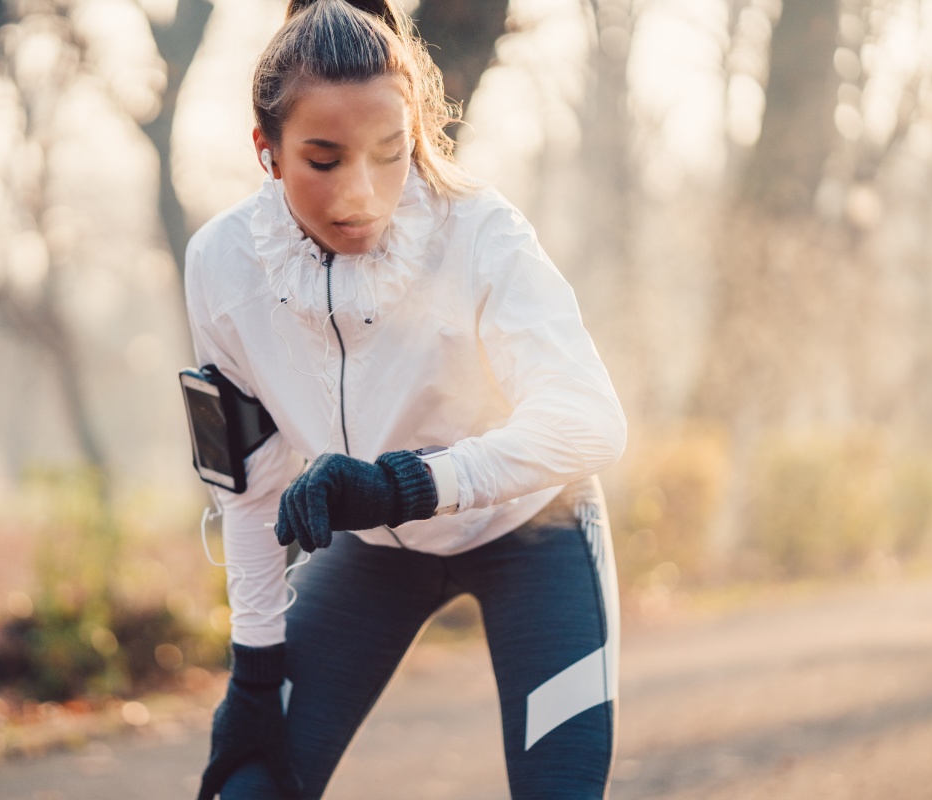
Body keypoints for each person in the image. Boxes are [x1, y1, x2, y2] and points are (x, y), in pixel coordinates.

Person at [184, 1, 626, 797]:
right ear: (267, 151)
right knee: (246, 787)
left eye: (391, 153)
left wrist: (406, 483)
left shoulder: (480, 233)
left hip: (534, 532)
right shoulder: (221, 267)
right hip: (377, 555)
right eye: (323, 160)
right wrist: (253, 671)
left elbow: (591, 422)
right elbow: (249, 490)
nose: (361, 194)